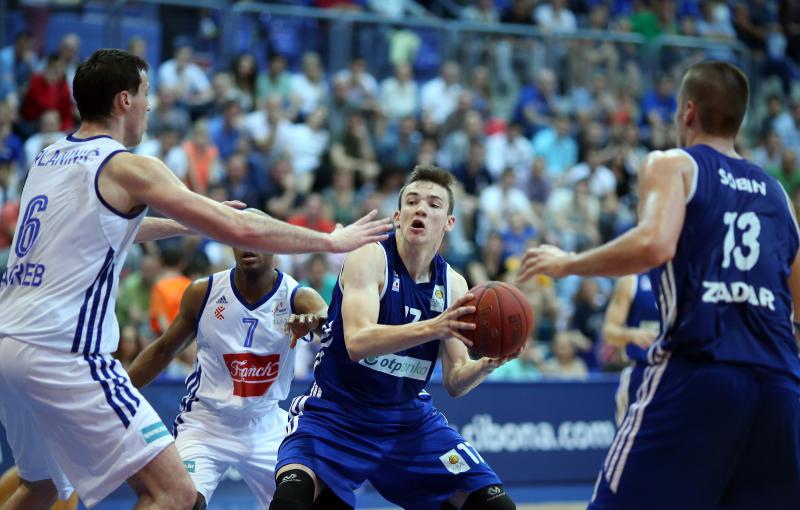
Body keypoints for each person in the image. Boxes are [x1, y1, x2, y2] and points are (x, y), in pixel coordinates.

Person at [0, 48, 390, 510]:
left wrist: (188, 221)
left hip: (9, 343)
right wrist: (331, 241)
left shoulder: (48, 158)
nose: (150, 106)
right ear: (125, 100)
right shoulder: (127, 164)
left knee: (41, 486)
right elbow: (245, 229)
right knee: (175, 494)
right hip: (64, 349)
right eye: (146, 96)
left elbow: (102, 229)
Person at [518, 61, 800, 509]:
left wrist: (569, 263)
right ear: (740, 119)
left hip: (701, 371)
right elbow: (796, 305)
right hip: (780, 385)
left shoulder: (675, 164)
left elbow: (654, 243)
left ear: (687, 112)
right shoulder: (777, 194)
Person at [271, 165, 517, 510]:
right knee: (290, 502)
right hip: (337, 414)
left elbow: (456, 381)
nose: (421, 209)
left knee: (495, 506)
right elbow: (357, 342)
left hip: (408, 423)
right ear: (398, 216)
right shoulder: (369, 256)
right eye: (413, 201)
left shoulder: (454, 285)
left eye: (434, 204)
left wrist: (487, 365)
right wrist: (434, 326)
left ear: (449, 222)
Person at [127, 210, 329, 510]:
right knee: (175, 501)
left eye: (257, 237)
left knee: (314, 501)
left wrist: (318, 324)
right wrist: (116, 393)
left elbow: (333, 328)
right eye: (240, 236)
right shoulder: (203, 292)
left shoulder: (298, 297)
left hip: (266, 423)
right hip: (207, 422)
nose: (248, 245)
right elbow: (163, 351)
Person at [601, 274, 659, 425]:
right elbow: (609, 331)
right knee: (634, 442)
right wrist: (632, 334)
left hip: (682, 371)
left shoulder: (689, 275)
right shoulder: (632, 280)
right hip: (643, 372)